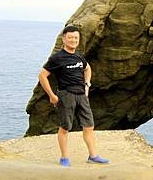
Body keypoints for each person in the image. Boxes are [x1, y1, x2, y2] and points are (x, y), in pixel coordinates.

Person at [38, 25, 109, 167]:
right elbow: (42, 75)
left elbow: (87, 68)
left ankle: (93, 156)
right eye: (70, 37)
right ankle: (64, 158)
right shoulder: (57, 58)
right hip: (66, 95)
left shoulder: (78, 56)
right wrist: (52, 95)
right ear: (64, 39)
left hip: (82, 95)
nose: (73, 40)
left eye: (76, 38)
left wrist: (87, 84)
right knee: (65, 128)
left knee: (89, 126)